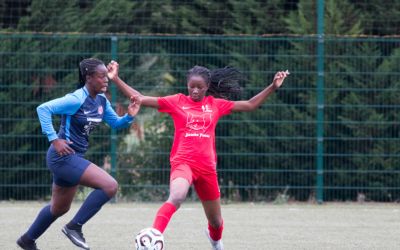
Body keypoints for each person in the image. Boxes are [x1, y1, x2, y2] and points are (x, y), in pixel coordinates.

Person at [108, 61, 288, 250]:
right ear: (187, 85)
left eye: (199, 87)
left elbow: (250, 105)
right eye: (191, 86)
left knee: (217, 223)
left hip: (207, 169)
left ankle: (216, 242)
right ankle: (154, 235)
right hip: (183, 163)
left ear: (207, 87)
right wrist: (116, 79)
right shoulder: (175, 101)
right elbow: (139, 98)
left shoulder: (215, 105)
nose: (195, 90)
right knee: (177, 196)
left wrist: (273, 86)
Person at [16, 58, 141, 250]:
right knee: (110, 186)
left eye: (106, 77)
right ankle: (74, 227)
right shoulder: (76, 99)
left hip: (73, 158)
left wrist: (129, 116)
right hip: (62, 157)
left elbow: (116, 123)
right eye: (101, 77)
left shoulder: (101, 100)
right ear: (88, 78)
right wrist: (54, 139)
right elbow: (43, 109)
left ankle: (27, 240)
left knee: (59, 208)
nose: (106, 80)